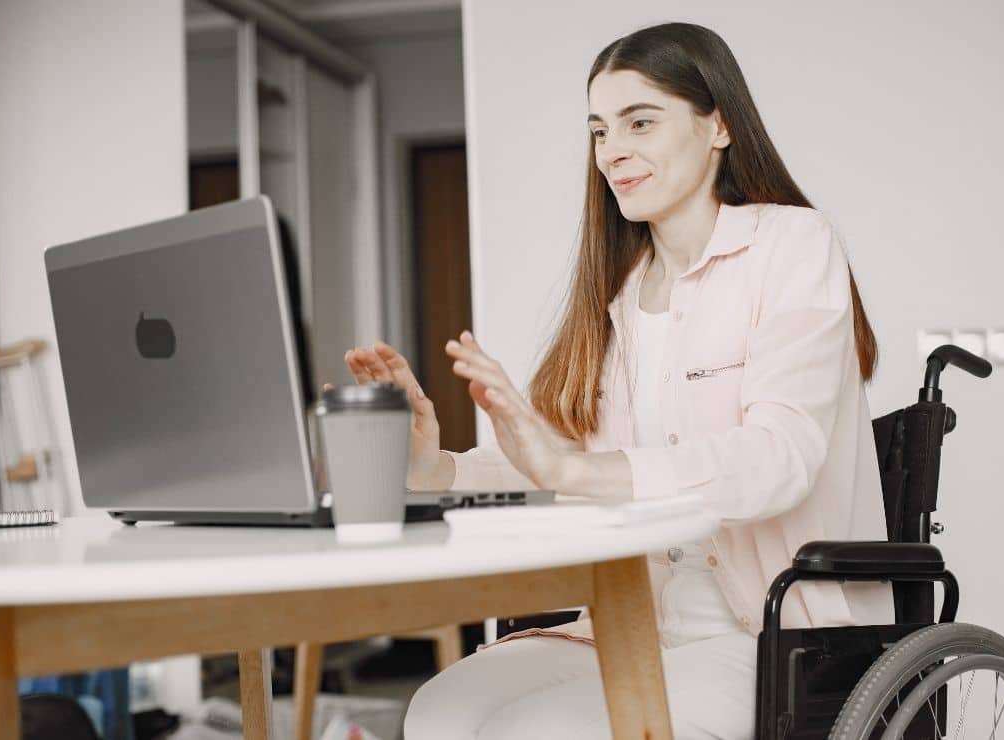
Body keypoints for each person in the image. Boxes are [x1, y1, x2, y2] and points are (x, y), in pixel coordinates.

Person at [331, 22, 891, 739]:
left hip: (774, 635)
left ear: (717, 124)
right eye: (599, 131)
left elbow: (779, 460)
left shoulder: (792, 245)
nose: (613, 151)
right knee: (439, 713)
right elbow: (548, 462)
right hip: (631, 622)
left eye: (640, 122)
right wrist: (433, 466)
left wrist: (577, 466)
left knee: (529, 733)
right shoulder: (618, 294)